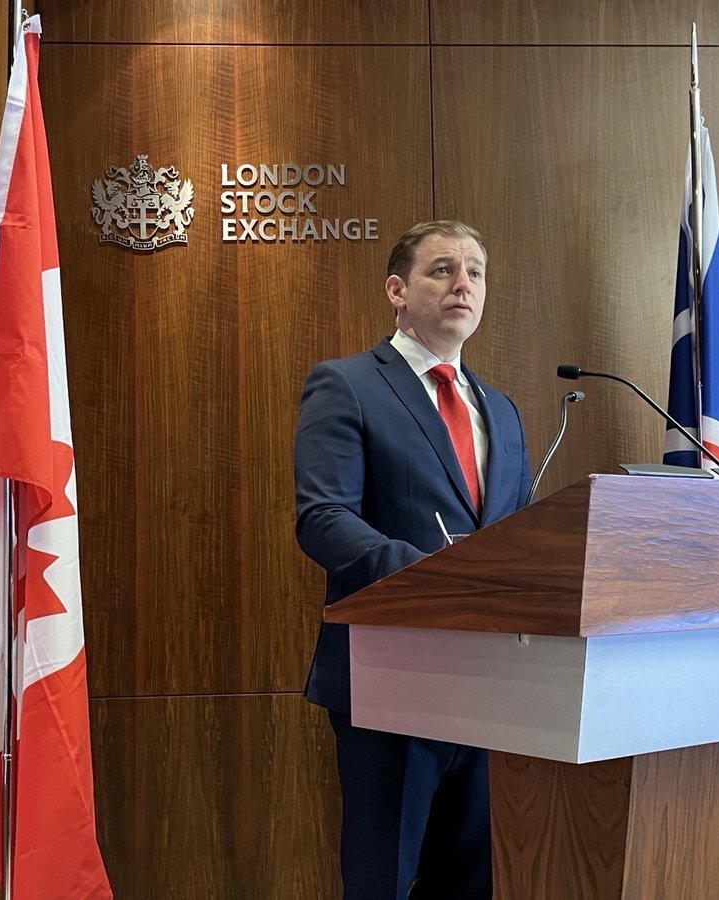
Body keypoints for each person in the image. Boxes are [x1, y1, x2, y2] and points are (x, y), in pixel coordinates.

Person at [293, 220, 532, 899]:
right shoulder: (346, 385)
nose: (464, 284)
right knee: (383, 882)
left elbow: (523, 533)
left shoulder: (505, 412)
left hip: (494, 685)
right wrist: (435, 578)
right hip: (390, 677)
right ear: (396, 290)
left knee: (475, 881)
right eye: (443, 269)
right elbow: (323, 519)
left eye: (476, 272)